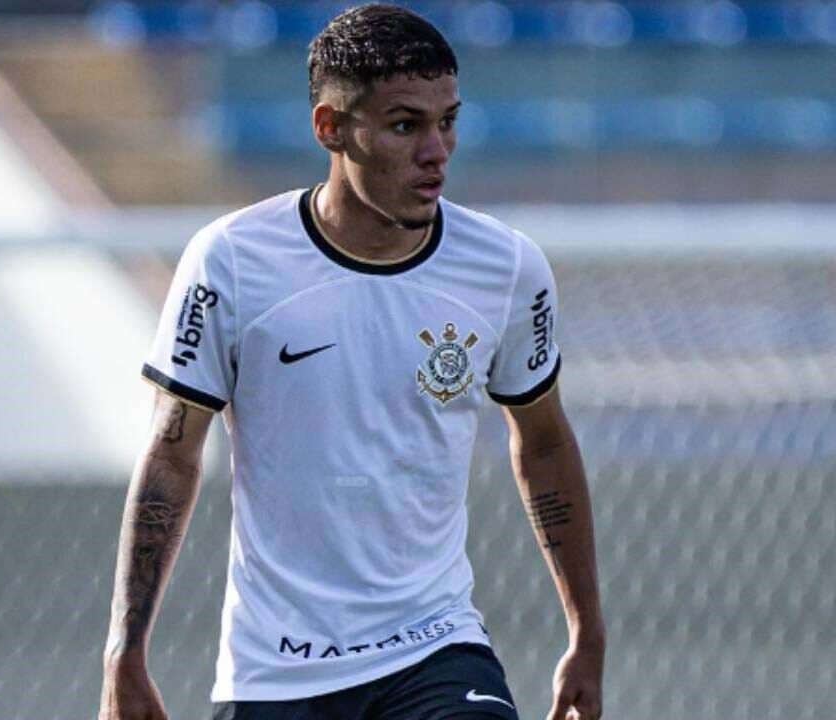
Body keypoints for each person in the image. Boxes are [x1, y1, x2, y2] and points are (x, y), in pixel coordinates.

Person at [98, 4, 605, 719]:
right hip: (276, 671)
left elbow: (544, 441)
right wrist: (126, 648)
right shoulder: (232, 261)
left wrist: (586, 631)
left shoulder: (505, 267)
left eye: (448, 121)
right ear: (330, 128)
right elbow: (172, 454)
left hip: (436, 648)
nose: (437, 151)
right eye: (405, 126)